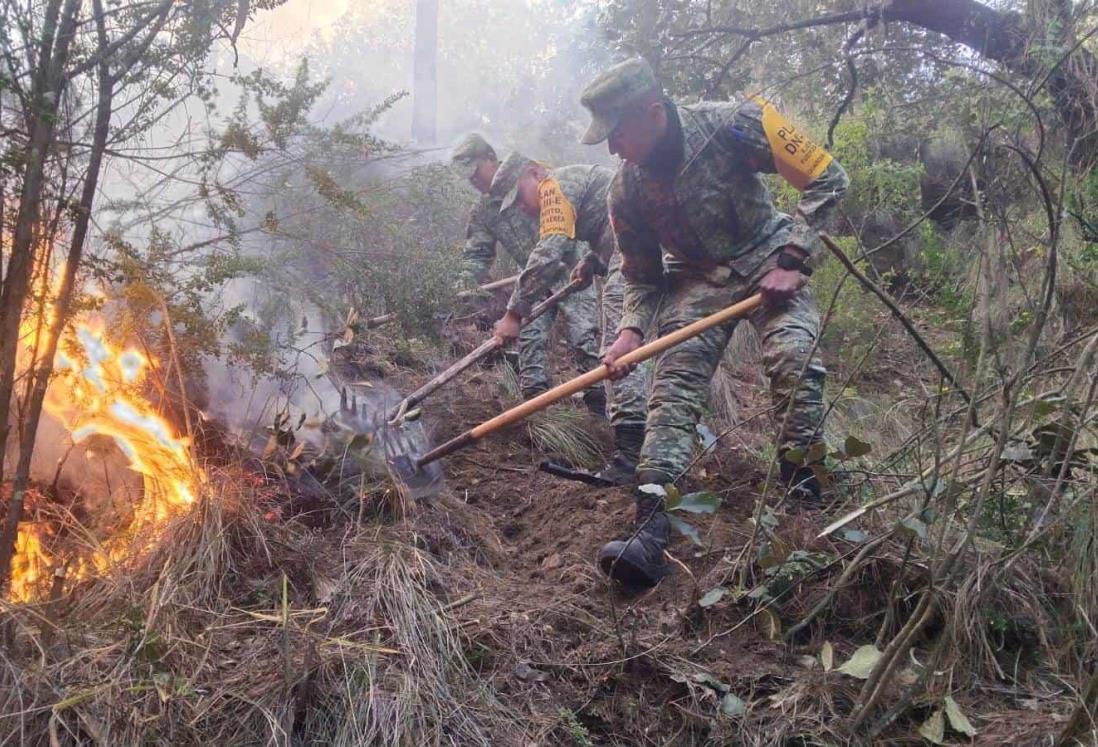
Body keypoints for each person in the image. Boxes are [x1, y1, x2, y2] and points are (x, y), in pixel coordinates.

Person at [578, 58, 849, 590]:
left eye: (617, 134)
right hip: (696, 281)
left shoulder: (737, 122)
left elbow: (827, 176)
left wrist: (793, 257)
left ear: (653, 113)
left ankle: (807, 498)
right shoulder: (624, 191)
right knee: (670, 394)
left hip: (770, 261)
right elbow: (641, 275)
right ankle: (651, 528)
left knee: (793, 360)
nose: (612, 149)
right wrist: (632, 328)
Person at [489, 153, 649, 484]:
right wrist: (595, 259)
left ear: (534, 173)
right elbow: (610, 221)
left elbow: (549, 252)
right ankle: (651, 443)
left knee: (620, 340)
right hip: (637, 239)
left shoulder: (554, 186)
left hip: (637, 244)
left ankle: (631, 456)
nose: (520, 208)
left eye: (518, 196)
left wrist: (513, 313)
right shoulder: (574, 183)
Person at [450, 135, 603, 412]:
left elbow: (557, 238)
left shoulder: (528, 178)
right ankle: (538, 416)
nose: (473, 182)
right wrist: (463, 286)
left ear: (490, 158)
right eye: (468, 178)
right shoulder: (484, 211)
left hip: (571, 268)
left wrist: (512, 312)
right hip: (529, 281)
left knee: (584, 338)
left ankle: (598, 409)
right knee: (531, 344)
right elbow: (477, 254)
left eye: (475, 172)